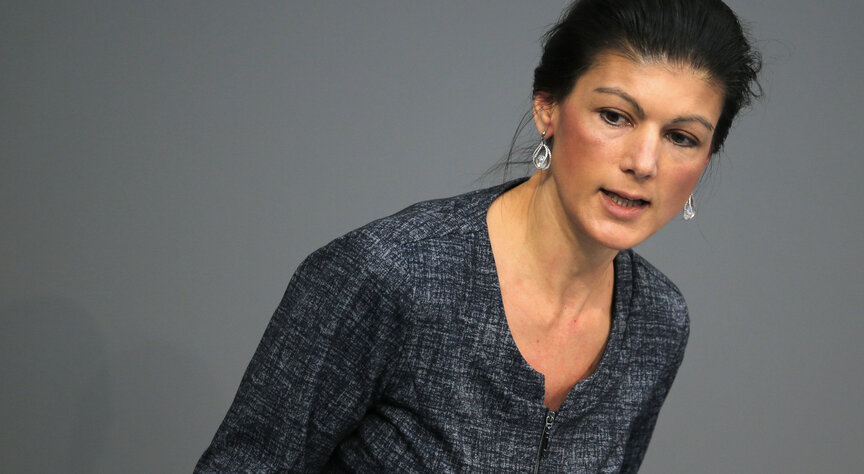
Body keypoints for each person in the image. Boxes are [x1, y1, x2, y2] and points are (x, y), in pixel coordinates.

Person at [195, 0, 761, 471]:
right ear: (548, 109)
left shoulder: (658, 322)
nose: (644, 162)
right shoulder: (388, 275)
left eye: (682, 137)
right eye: (615, 116)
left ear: (706, 159)